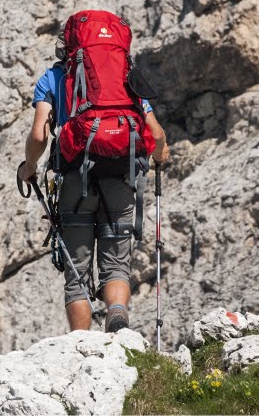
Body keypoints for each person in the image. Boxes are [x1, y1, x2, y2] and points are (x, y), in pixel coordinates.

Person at [17, 33, 170, 333]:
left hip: (75, 183)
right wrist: (160, 156)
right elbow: (158, 136)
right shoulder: (124, 77)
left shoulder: (53, 78)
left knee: (77, 276)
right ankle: (116, 314)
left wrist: (29, 168)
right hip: (120, 179)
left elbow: (39, 136)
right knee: (116, 266)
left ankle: (81, 348)